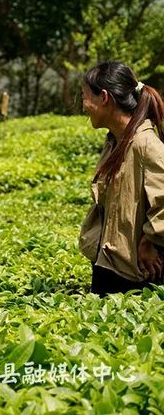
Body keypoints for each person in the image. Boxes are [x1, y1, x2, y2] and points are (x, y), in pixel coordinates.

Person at [79, 62, 164, 295]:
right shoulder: (115, 142)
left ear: (104, 97)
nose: (84, 106)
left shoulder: (146, 145)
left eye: (85, 97)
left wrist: (150, 242)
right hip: (109, 265)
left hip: (135, 275)